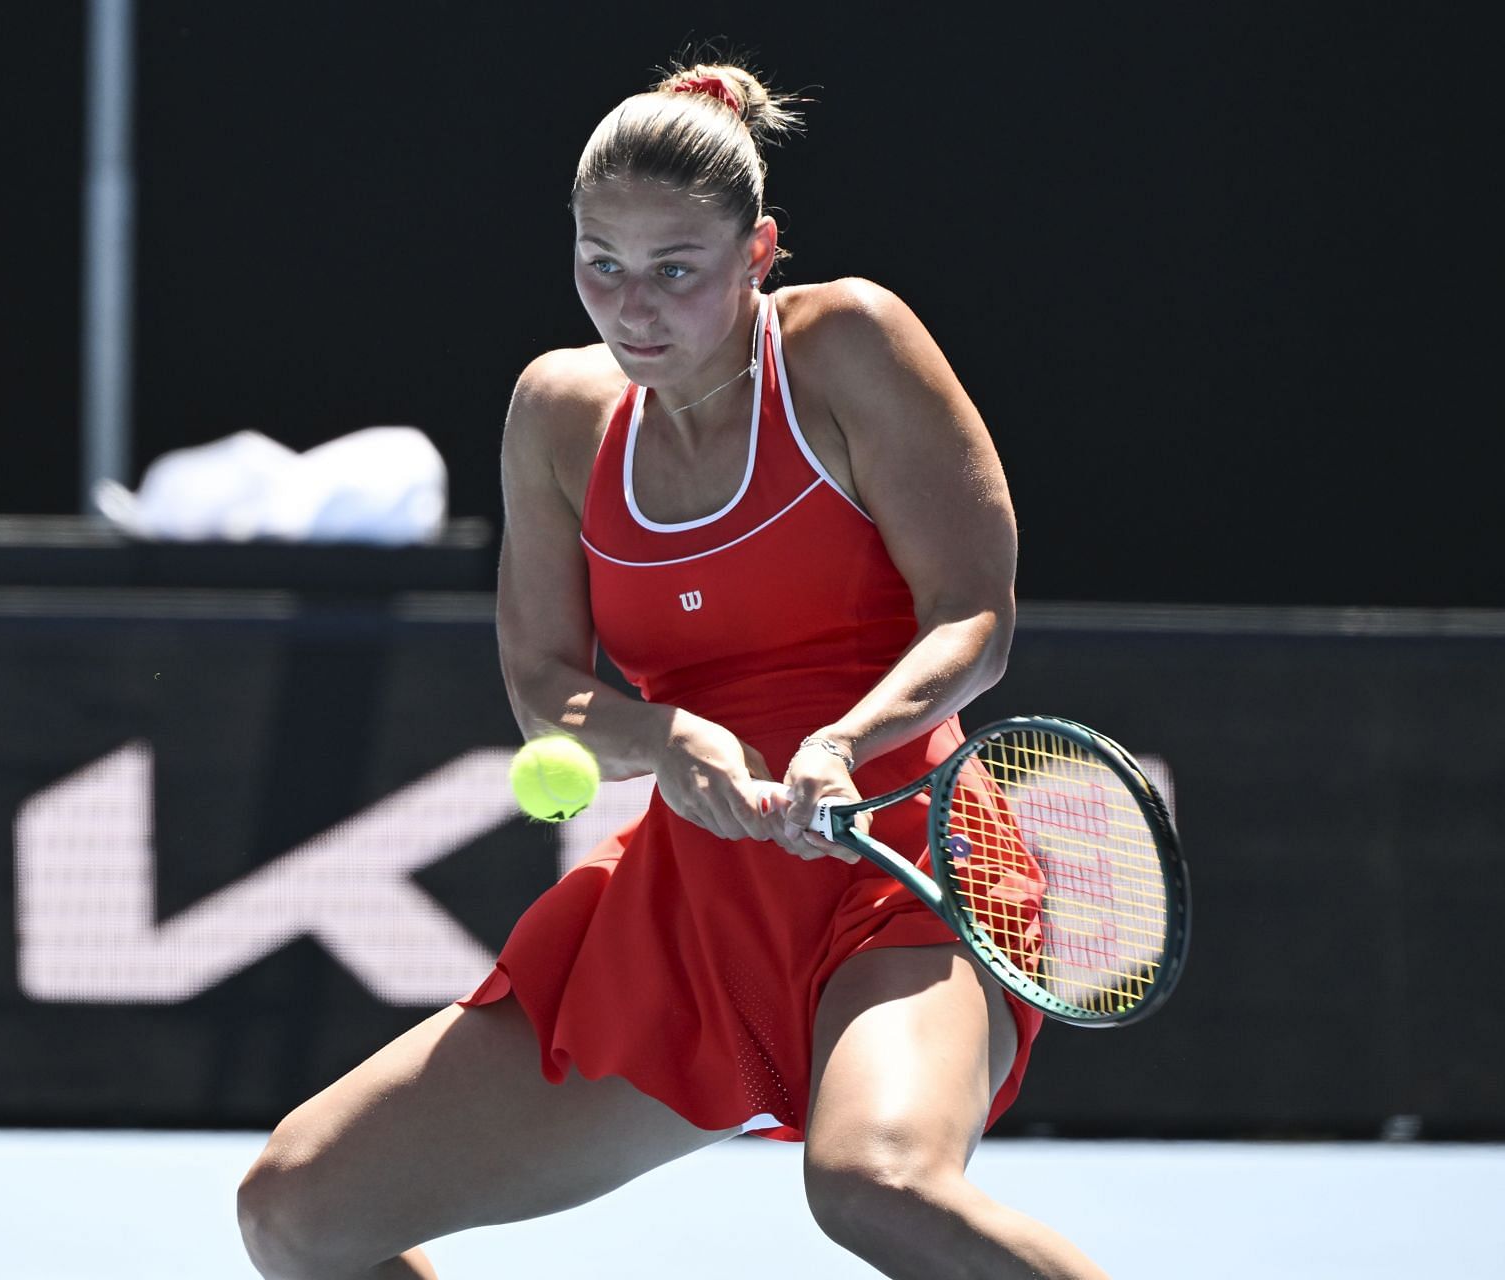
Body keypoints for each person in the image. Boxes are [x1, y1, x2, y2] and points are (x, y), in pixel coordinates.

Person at [239, 60, 1109, 1279]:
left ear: (758, 251)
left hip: (904, 869)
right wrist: (667, 739)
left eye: (675, 270)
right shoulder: (557, 410)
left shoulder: (847, 343)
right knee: (296, 1209)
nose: (631, 309)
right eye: (600, 263)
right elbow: (544, 680)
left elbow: (975, 616)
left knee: (877, 1185)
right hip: (687, 915)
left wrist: (842, 742)